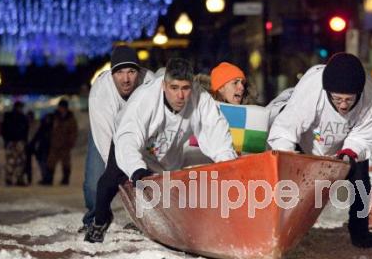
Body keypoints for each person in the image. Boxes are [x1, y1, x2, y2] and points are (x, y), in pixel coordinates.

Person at [84, 58, 237, 243]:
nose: (180, 96)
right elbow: (129, 138)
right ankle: (100, 221)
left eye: (185, 88)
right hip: (132, 147)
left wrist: (230, 167)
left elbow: (217, 133)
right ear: (164, 85)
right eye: (174, 88)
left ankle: (152, 222)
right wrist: (136, 169)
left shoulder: (201, 99)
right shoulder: (144, 97)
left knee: (170, 194)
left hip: (167, 154)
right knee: (107, 182)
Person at [267, 52, 372, 248]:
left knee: (361, 178)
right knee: (289, 187)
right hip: (303, 141)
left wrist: (349, 153)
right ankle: (280, 229)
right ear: (328, 92)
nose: (344, 105)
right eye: (337, 99)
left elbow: (365, 135)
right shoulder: (312, 87)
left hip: (344, 147)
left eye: (349, 100)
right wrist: (286, 155)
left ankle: (360, 232)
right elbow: (287, 127)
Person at [80, 45, 158, 232]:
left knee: (149, 177)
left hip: (142, 136)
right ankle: (96, 217)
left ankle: (147, 220)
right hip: (108, 133)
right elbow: (104, 139)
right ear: (112, 73)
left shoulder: (151, 84)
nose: (126, 79)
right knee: (95, 183)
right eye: (120, 73)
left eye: (131, 72)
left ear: (138, 72)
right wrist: (114, 176)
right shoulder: (100, 92)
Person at [44, 99, 78, 185]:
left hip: (65, 145)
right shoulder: (54, 117)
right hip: (54, 144)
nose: (61, 109)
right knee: (51, 162)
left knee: (66, 163)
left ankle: (65, 180)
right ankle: (48, 179)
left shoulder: (70, 118)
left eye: (62, 107)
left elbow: (73, 131)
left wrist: (71, 142)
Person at [2, 101, 29, 186]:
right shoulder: (21, 117)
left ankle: (12, 178)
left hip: (15, 141)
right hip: (15, 141)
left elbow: (4, 129)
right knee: (17, 161)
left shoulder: (10, 117)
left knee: (14, 161)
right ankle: (16, 178)